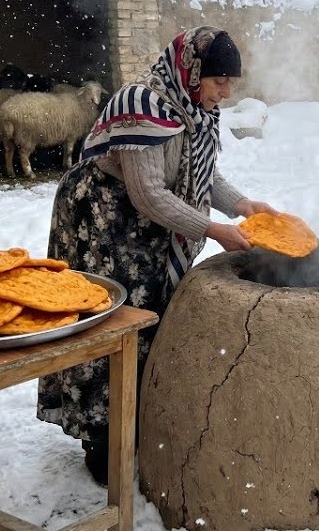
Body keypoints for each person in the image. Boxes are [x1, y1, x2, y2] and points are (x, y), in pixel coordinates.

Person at [37, 25, 277, 484]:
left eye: (232, 84)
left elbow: (201, 172)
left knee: (149, 320)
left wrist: (243, 205)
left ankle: (136, 422)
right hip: (102, 220)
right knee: (108, 323)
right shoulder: (143, 105)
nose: (225, 93)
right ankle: (101, 440)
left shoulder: (195, 107)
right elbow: (148, 192)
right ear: (193, 71)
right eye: (219, 82)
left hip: (146, 222)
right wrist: (212, 228)